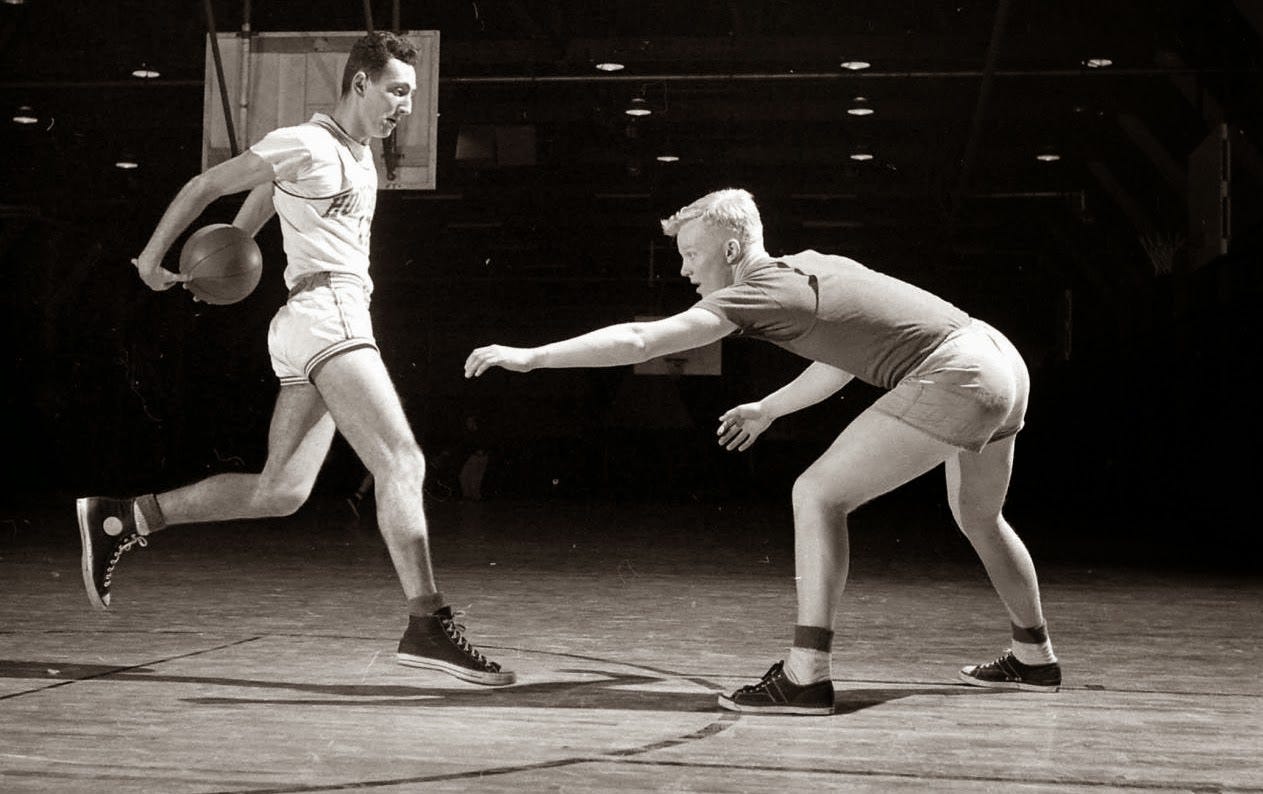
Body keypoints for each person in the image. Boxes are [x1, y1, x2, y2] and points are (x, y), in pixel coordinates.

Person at [464, 188, 1058, 713]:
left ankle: (806, 676)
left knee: (817, 494)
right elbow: (841, 360)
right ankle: (1034, 657)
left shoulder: (756, 293)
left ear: (730, 249)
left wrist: (533, 356)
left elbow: (643, 340)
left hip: (958, 373)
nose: (684, 269)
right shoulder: (810, 267)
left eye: (691, 254)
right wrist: (769, 408)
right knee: (980, 517)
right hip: (998, 357)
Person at [76, 31, 513, 687]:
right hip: (326, 315)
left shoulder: (358, 155)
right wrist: (153, 260)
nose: (406, 106)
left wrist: (226, 260)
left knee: (280, 492)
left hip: (314, 323)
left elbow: (251, 218)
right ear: (360, 82)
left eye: (411, 95)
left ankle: (125, 516)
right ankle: (427, 623)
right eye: (396, 91)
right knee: (402, 461)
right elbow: (205, 185)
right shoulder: (305, 141)